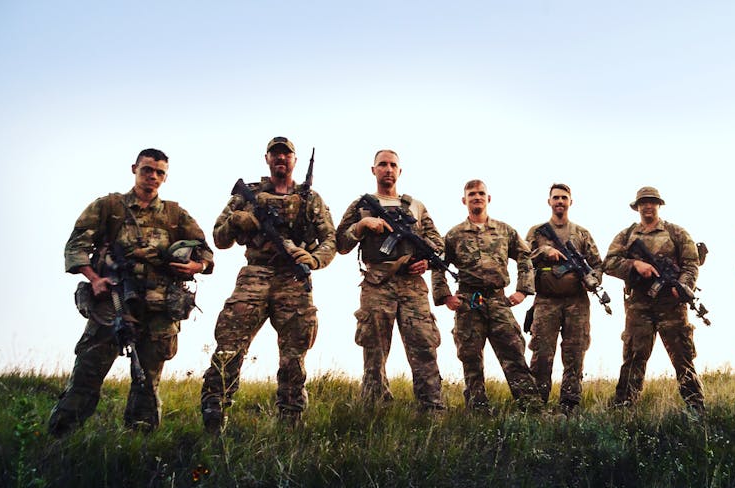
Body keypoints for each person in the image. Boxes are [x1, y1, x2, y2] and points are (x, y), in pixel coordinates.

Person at [48, 148, 213, 435]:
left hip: (159, 309)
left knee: (147, 383)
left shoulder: (175, 214)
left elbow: (206, 252)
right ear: (134, 168)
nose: (153, 176)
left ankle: (139, 446)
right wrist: (94, 278)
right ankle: (59, 439)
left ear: (165, 176)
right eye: (147, 169)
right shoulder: (108, 207)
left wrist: (195, 267)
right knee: (87, 373)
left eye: (159, 172)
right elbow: (76, 246)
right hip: (112, 302)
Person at [200, 137, 336, 432]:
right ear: (267, 159)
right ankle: (214, 415)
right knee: (229, 347)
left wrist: (312, 260)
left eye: (286, 155)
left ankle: (290, 422)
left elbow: (330, 241)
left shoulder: (310, 199)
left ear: (294, 161)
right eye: (275, 154)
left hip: (293, 279)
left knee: (294, 356)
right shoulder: (247, 194)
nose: (281, 159)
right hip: (255, 275)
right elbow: (219, 239)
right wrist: (237, 221)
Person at [335, 150, 445, 413]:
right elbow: (340, 243)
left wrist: (427, 261)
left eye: (393, 165)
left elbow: (438, 243)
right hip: (376, 284)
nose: (388, 169)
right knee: (373, 351)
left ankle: (432, 410)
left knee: (424, 347)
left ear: (400, 171)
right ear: (373, 170)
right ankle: (375, 410)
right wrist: (362, 226)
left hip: (412, 286)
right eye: (382, 164)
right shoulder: (361, 204)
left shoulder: (416, 206)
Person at [431, 179, 538, 410]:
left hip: (499, 301)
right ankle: (477, 410)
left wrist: (522, 290)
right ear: (464, 200)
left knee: (514, 354)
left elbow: (524, 256)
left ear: (488, 198)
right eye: (471, 194)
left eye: (481, 193)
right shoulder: (454, 234)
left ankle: (531, 409)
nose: (477, 197)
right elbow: (437, 264)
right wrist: (446, 296)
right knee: (470, 359)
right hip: (468, 303)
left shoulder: (504, 231)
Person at [604, 186, 704, 412]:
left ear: (659, 205)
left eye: (652, 202)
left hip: (672, 306)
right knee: (634, 357)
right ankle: (623, 408)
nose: (648, 206)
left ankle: (696, 408)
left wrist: (684, 286)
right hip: (638, 306)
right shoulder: (627, 235)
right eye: (643, 202)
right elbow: (609, 263)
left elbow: (691, 264)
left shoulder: (677, 233)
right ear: (637, 207)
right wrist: (635, 265)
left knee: (682, 357)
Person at [525, 183, 604, 413]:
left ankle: (569, 404)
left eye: (564, 198)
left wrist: (592, 280)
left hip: (577, 302)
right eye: (556, 198)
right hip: (546, 301)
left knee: (575, 353)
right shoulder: (537, 232)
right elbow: (523, 258)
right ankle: (537, 404)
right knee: (541, 353)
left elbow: (598, 265)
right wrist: (544, 252)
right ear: (549, 201)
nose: (560, 201)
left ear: (571, 202)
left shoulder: (581, 234)